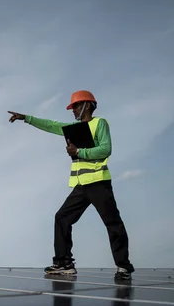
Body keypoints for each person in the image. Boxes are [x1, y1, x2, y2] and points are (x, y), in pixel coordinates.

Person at [8, 90, 135, 281]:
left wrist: (79, 151)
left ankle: (123, 267)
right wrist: (27, 118)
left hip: (98, 182)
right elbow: (52, 125)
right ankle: (64, 264)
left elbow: (106, 148)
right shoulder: (74, 128)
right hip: (81, 185)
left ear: (87, 105)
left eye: (75, 106)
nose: (73, 110)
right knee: (62, 218)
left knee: (112, 223)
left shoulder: (99, 123)